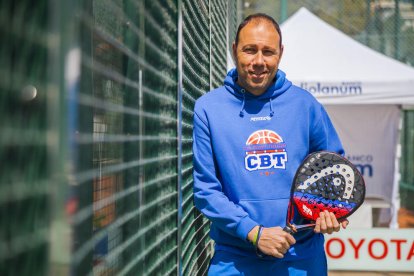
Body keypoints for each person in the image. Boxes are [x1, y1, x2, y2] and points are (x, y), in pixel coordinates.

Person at [192, 13, 349, 275]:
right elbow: (206, 191)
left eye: (268, 52)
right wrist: (254, 232)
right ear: (234, 50)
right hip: (235, 256)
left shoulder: (305, 105)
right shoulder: (208, 108)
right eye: (249, 50)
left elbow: (335, 170)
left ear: (280, 53)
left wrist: (330, 212)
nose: (258, 61)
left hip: (301, 257)